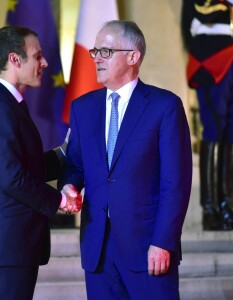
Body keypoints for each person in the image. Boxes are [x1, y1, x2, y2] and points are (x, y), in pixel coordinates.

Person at [60, 20, 192, 299]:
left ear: (133, 57)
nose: (96, 57)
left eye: (105, 51)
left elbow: (176, 183)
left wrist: (163, 242)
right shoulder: (83, 108)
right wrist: (68, 186)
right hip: (97, 249)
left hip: (148, 248)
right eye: (95, 51)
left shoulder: (164, 106)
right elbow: (75, 166)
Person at [0, 25, 81, 300]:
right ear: (15, 60)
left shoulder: (9, 103)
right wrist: (60, 201)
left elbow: (23, 166)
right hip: (6, 245)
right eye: (37, 56)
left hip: (15, 244)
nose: (44, 62)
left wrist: (63, 153)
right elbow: (11, 177)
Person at [181, 0, 233, 230]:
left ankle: (227, 205)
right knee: (214, 129)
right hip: (212, 59)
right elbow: (199, 15)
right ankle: (210, 207)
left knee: (232, 133)